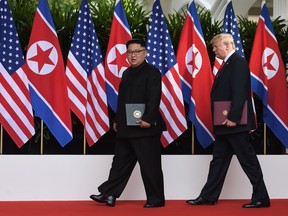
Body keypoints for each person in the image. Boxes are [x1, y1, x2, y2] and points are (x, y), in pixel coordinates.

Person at [186, 33, 270, 208]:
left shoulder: (237, 63)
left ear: (227, 45)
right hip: (225, 124)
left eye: (216, 46)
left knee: (247, 160)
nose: (213, 49)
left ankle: (261, 197)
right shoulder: (229, 64)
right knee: (218, 160)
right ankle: (208, 196)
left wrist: (233, 117)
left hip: (233, 123)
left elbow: (240, 92)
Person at [90, 38, 166, 208]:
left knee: (149, 165)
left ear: (144, 53)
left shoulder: (152, 72)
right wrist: (117, 119)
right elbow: (122, 100)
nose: (133, 55)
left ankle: (156, 199)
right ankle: (109, 195)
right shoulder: (126, 73)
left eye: (136, 52)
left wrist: (148, 118)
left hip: (145, 127)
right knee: (119, 163)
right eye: (130, 52)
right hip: (126, 127)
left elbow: (154, 98)